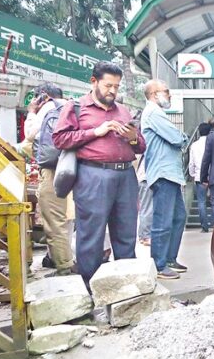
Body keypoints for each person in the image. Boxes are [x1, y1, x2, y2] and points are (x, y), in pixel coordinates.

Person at [53, 61, 146, 285]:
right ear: (93, 81)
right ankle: (90, 287)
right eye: (108, 86)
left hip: (125, 176)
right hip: (92, 175)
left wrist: (132, 137)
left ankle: (126, 287)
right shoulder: (76, 107)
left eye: (116, 86)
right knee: (91, 234)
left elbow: (140, 146)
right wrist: (96, 132)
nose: (112, 91)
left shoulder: (123, 110)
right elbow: (59, 138)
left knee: (126, 232)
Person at [141, 80, 189, 280]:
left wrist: (182, 136)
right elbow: (178, 139)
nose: (169, 95)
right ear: (154, 94)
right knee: (163, 220)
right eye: (166, 92)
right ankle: (159, 264)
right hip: (162, 172)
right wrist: (182, 137)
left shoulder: (158, 113)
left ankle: (169, 259)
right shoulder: (153, 113)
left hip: (170, 173)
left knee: (178, 217)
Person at [29, 82, 76, 276]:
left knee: (53, 219)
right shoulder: (73, 106)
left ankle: (65, 267)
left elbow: (30, 135)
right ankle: (60, 258)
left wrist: (31, 111)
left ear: (43, 96)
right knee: (68, 220)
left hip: (54, 169)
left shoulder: (48, 107)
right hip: (73, 167)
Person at [189, 123, 213, 232]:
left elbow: (191, 162)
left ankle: (205, 226)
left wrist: (193, 174)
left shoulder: (194, 145)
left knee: (201, 202)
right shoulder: (213, 143)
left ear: (199, 131)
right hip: (213, 176)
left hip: (199, 177)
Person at [136, 155, 152, 246]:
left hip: (142, 179)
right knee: (147, 209)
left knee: (144, 208)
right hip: (146, 180)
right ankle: (146, 236)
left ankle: (142, 235)